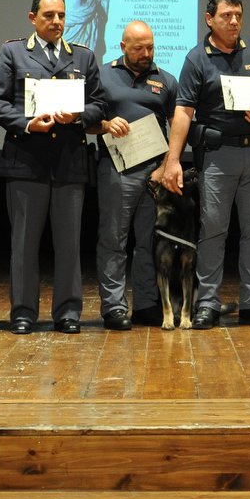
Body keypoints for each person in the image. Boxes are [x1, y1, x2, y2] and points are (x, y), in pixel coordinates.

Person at [160, 0, 250, 330]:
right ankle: (207, 303)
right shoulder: (196, 59)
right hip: (218, 156)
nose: (234, 21)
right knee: (214, 230)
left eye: (238, 16)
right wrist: (173, 159)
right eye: (226, 16)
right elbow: (183, 111)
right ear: (209, 19)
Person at [0, 0, 110, 335]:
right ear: (33, 18)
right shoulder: (13, 52)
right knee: (24, 244)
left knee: (69, 244)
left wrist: (77, 115)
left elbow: (100, 104)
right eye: (49, 15)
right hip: (26, 161)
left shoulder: (83, 56)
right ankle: (23, 312)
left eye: (61, 15)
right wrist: (28, 123)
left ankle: (68, 312)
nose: (57, 21)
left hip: (70, 163)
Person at [92, 20, 179, 331]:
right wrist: (105, 125)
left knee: (149, 242)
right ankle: (114, 307)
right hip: (117, 169)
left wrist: (167, 165)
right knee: (113, 240)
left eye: (150, 47)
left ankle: (146, 304)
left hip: (154, 173)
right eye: (139, 48)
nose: (146, 53)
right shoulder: (102, 75)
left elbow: (178, 126)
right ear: (122, 47)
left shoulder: (166, 80)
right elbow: (86, 119)